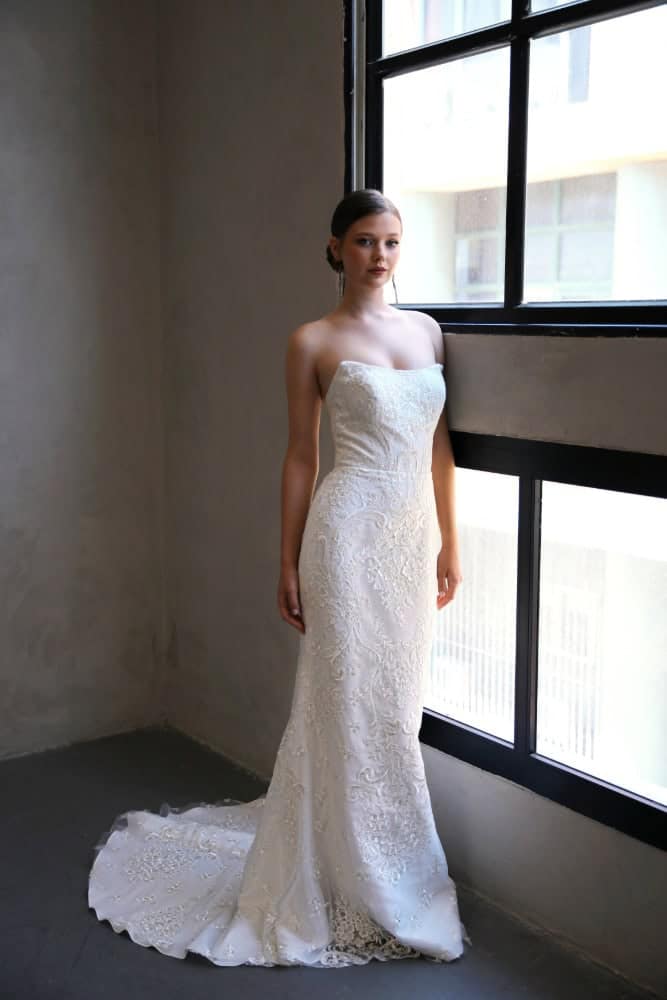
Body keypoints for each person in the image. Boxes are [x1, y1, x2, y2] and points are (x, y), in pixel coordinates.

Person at [88, 188, 471, 968]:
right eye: (363, 241)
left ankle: (383, 864)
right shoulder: (311, 340)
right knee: (342, 698)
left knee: (392, 707)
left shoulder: (427, 331)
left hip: (408, 540)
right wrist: (287, 558)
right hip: (346, 535)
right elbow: (301, 456)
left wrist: (450, 543)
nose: (379, 256)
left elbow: (440, 450)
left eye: (391, 241)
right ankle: (339, 876)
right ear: (334, 248)